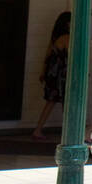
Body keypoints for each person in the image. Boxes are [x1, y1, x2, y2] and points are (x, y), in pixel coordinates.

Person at [32, 11, 70, 140]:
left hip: (52, 74)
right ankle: (69, 131)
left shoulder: (54, 37)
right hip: (63, 75)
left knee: (51, 101)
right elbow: (71, 57)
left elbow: (47, 55)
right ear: (67, 23)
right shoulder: (67, 37)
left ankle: (38, 129)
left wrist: (43, 72)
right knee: (67, 102)